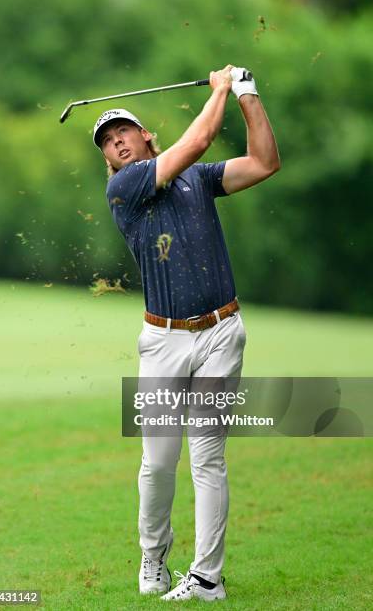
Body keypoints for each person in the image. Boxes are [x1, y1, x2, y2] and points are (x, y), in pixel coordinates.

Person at [93, 65, 280, 602]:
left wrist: (246, 92)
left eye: (123, 131)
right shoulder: (125, 190)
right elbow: (197, 139)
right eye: (107, 142)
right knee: (157, 461)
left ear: (145, 133)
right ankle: (153, 561)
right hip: (162, 342)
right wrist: (219, 86)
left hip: (222, 331)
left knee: (208, 455)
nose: (117, 143)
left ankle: (206, 578)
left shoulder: (197, 180)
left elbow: (266, 162)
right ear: (107, 160)